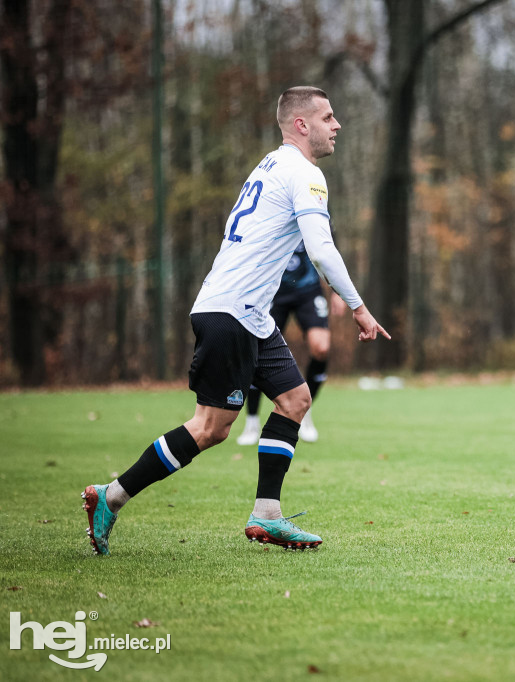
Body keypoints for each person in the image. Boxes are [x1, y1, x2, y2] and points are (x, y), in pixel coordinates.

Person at [81, 86, 390, 554]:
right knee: (210, 427)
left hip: (245, 311)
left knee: (294, 399)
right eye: (328, 117)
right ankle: (112, 496)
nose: (337, 125)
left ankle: (268, 515)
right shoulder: (305, 173)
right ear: (301, 125)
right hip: (232, 312)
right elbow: (321, 248)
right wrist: (359, 307)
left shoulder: (269, 164)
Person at [237, 245, 344, 445]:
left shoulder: (315, 214)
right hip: (273, 290)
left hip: (308, 290)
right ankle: (252, 422)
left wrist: (338, 290)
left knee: (321, 347)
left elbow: (328, 250)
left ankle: (303, 410)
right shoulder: (269, 215)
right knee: (256, 350)